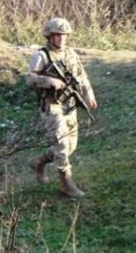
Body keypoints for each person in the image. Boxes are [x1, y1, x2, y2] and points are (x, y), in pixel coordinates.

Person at [26, 17, 98, 198]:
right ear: (49, 36)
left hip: (69, 104)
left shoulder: (71, 54)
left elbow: (81, 76)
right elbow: (29, 78)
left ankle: (38, 162)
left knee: (70, 146)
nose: (61, 39)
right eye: (57, 35)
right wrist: (48, 81)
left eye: (64, 35)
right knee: (62, 145)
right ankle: (67, 183)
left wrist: (89, 94)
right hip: (51, 106)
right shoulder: (41, 56)